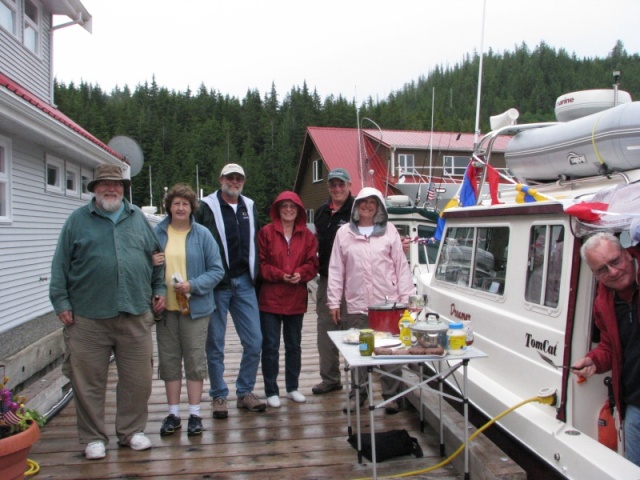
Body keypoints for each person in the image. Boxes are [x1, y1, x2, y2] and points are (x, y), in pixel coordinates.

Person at [49, 164, 166, 460]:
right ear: (95, 189)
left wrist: (160, 290)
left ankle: (131, 431)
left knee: (138, 379)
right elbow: (60, 265)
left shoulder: (139, 219)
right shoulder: (77, 221)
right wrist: (61, 301)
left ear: (123, 188)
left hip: (136, 313)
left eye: (116, 183)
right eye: (104, 184)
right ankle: (93, 438)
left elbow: (157, 259)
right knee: (87, 380)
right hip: (88, 317)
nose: (111, 188)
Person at [327, 187, 415, 414]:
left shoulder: (390, 232)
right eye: (363, 202)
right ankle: (358, 395)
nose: (367, 205)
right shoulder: (344, 233)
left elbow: (401, 267)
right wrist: (334, 302)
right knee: (358, 353)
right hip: (356, 304)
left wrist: (406, 301)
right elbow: (336, 269)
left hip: (387, 305)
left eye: (372, 202)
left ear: (379, 207)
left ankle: (392, 396)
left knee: (390, 352)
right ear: (356, 206)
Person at [194, 163, 266, 417]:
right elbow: (193, 239)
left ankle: (244, 391)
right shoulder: (205, 206)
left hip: (245, 282)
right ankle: (218, 395)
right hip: (216, 284)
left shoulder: (250, 205)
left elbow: (258, 240)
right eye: (230, 177)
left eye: (239, 178)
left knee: (255, 341)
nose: (234, 181)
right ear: (221, 178)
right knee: (215, 344)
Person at [154, 184, 224, 437]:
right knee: (170, 362)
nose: (180, 207)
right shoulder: (157, 233)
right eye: (176, 203)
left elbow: (217, 270)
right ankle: (173, 413)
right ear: (169, 207)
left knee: (195, 361)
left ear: (192, 207)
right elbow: (144, 268)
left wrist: (192, 285)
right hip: (166, 310)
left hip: (196, 309)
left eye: (185, 203)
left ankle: (195, 414)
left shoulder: (202, 234)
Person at [573, 232, 640, 467]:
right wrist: (594, 361)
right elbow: (609, 347)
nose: (612, 272)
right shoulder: (604, 301)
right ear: (594, 275)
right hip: (635, 406)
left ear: (627, 253)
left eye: (615, 261)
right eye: (602, 270)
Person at [258, 191, 319, 407]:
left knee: (294, 346)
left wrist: (301, 273)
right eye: (284, 206)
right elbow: (261, 264)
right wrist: (279, 275)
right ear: (277, 209)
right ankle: (271, 390)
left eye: (293, 206)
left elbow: (313, 264)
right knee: (271, 346)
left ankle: (292, 387)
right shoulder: (265, 232)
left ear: (299, 210)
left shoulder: (307, 236)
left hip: (296, 299)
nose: (288, 210)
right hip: (270, 299)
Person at [312, 168, 354, 395]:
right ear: (328, 187)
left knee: (355, 329)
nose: (337, 189)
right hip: (327, 279)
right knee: (326, 328)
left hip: (354, 282)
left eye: (341, 184)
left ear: (349, 185)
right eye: (333, 185)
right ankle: (330, 379)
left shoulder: (358, 209)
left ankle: (358, 384)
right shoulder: (320, 212)